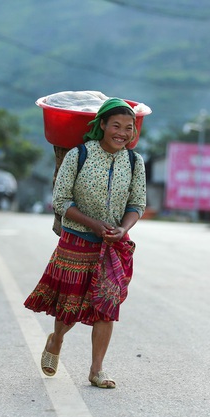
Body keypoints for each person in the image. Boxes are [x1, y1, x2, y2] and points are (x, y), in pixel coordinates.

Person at [24, 98, 147, 389]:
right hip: (78, 239)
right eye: (115, 125)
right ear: (101, 125)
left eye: (128, 128)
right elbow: (61, 199)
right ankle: (56, 340)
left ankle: (97, 369)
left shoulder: (134, 161)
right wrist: (94, 224)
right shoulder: (79, 155)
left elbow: (137, 203)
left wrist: (122, 228)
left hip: (113, 244)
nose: (122, 133)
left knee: (107, 305)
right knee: (71, 305)